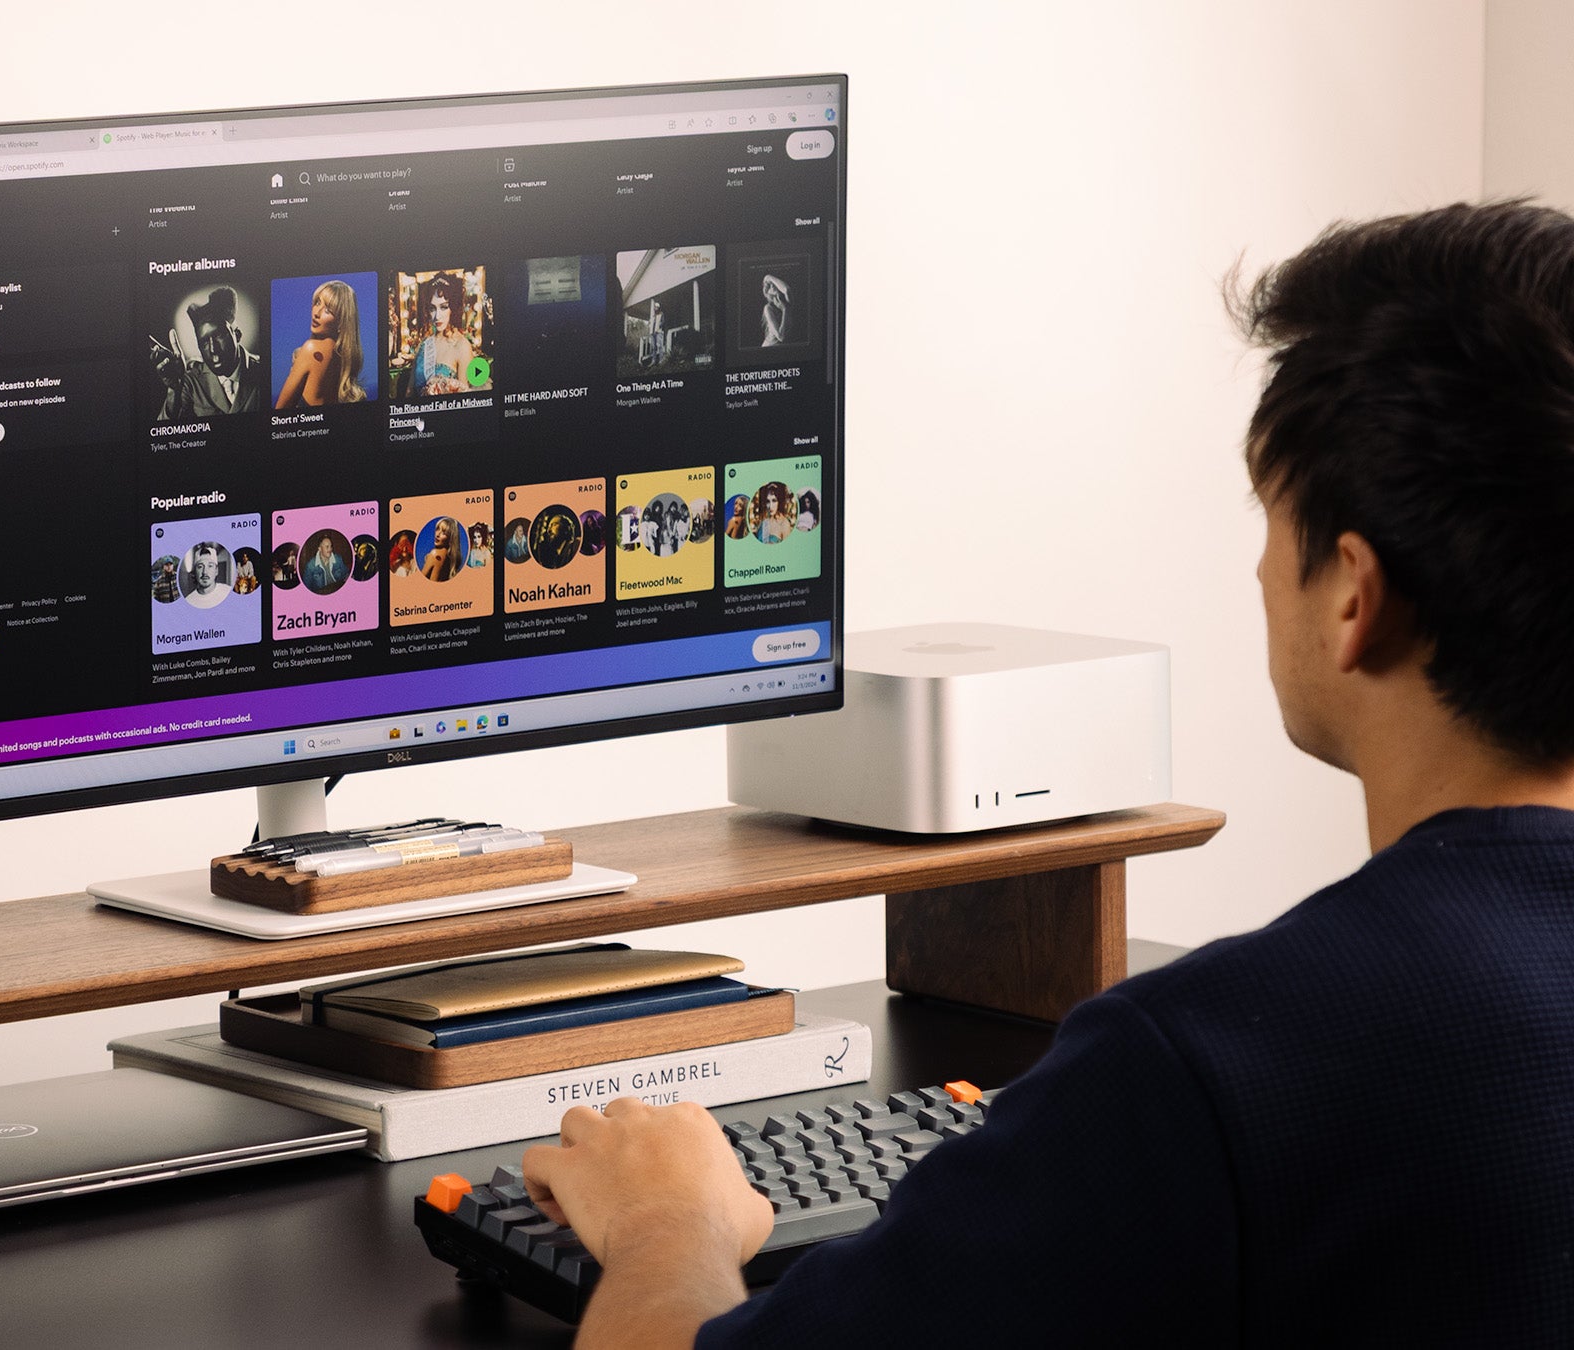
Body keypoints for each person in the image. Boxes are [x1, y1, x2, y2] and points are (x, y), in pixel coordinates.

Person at [517, 201, 1574, 1346]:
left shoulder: (1210, 1068)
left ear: (1354, 598)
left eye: (1272, 522)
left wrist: (668, 1217)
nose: (1261, 570)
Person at [149, 286, 262, 418]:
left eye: (219, 335)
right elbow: (165, 433)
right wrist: (174, 390)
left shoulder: (264, 369)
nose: (213, 350)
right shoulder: (192, 380)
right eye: (204, 343)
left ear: (237, 335)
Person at [275, 279, 367, 409]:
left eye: (328, 310)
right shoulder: (343, 357)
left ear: (342, 321)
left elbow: (280, 413)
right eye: (317, 302)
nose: (316, 313)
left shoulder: (312, 349)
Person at [411, 273, 482, 396]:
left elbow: (464, 400)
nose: (437, 316)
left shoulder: (462, 346)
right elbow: (409, 391)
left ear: (453, 308)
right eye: (432, 309)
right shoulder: (425, 344)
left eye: (443, 307)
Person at [420, 517, 463, 582]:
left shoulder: (435, 554)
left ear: (450, 538)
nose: (437, 534)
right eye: (437, 529)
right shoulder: (450, 559)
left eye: (444, 533)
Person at [758, 271, 790, 347]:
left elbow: (787, 290)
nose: (772, 285)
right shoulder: (768, 308)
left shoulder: (789, 302)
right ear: (768, 292)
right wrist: (785, 310)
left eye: (774, 283)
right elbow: (780, 337)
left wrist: (769, 277)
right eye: (770, 285)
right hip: (768, 349)